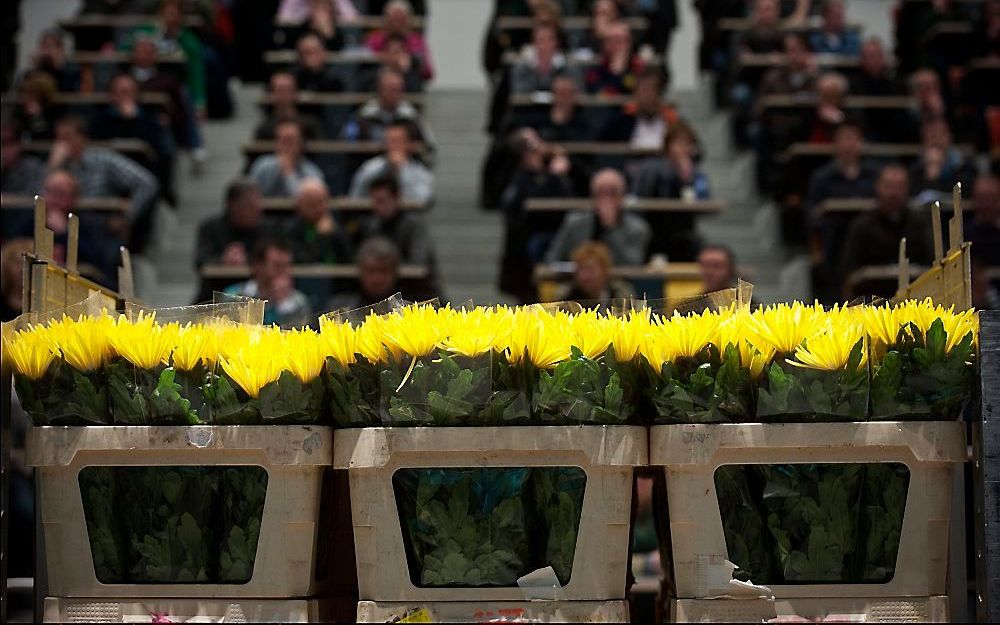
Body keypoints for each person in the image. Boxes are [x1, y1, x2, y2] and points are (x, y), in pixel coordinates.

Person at [47, 115, 160, 250]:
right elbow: (38, 195)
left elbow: (147, 183)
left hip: (99, 225)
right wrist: (52, 166)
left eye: (67, 137)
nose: (61, 144)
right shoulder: (55, 165)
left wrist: (127, 217)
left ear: (83, 138)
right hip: (61, 221)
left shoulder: (103, 159)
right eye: (58, 138)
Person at [9, 170, 122, 288]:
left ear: (74, 198)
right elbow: (13, 250)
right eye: (49, 192)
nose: (54, 199)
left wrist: (64, 233)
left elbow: (97, 262)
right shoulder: (29, 221)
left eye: (61, 194)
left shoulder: (89, 226)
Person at [839, 164, 935, 296]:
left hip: (916, 300)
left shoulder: (920, 223)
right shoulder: (862, 225)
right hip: (870, 301)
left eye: (899, 187)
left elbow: (934, 263)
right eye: (888, 187)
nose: (894, 193)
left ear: (908, 189)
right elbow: (848, 271)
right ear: (877, 187)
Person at [89, 72, 176, 204]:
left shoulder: (150, 120)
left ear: (136, 94)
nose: (123, 96)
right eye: (119, 92)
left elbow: (158, 151)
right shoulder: (100, 120)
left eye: (128, 92)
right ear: (111, 95)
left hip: (142, 173)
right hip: (108, 178)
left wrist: (132, 120)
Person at [544, 168, 651, 265]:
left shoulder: (638, 228)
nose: (606, 200)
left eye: (612, 193)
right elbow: (552, 258)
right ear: (592, 197)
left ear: (622, 197)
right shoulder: (575, 223)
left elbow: (633, 265)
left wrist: (611, 227)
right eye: (601, 193)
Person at [225, 238, 312, 328]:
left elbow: (296, 336)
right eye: (277, 265)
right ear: (258, 266)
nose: (284, 271)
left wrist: (283, 304)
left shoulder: (299, 302)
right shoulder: (232, 296)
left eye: (287, 265)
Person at [341, 67, 435, 150]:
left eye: (397, 89)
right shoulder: (362, 117)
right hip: (370, 165)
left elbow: (429, 145)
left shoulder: (412, 117)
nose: (394, 94)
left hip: (406, 165)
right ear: (379, 90)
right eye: (390, 89)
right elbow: (346, 143)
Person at [349, 121, 433, 203]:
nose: (392, 146)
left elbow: (422, 200)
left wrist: (402, 170)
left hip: (409, 215)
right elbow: (355, 197)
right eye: (388, 141)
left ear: (409, 144)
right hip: (373, 216)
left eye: (397, 141)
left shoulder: (420, 171)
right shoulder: (371, 167)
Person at [599, 68, 682, 149]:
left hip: (663, 160)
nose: (645, 96)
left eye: (650, 90)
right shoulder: (625, 119)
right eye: (642, 90)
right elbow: (601, 140)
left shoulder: (671, 119)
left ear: (659, 94)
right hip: (634, 160)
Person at [195, 179, 267, 269]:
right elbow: (200, 261)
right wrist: (223, 260)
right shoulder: (210, 228)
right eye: (251, 208)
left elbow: (269, 259)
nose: (258, 213)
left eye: (258, 207)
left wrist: (246, 260)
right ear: (233, 206)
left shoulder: (264, 230)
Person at [248, 117, 326, 197]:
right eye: (281, 140)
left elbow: (303, 201)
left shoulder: (311, 171)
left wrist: (288, 172)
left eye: (290, 140)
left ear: (301, 143)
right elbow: (253, 197)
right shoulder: (262, 164)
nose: (285, 146)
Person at [327, 236, 407, 312]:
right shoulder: (339, 309)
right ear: (361, 271)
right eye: (371, 270)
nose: (377, 279)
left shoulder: (408, 311)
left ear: (394, 272)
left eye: (384, 270)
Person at [284, 177, 353, 264]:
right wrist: (322, 237)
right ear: (300, 206)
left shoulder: (335, 227)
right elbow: (307, 262)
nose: (319, 209)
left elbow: (348, 259)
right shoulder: (290, 231)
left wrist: (335, 233)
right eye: (313, 204)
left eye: (322, 203)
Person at [365, 0, 434, 83]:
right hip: (377, 83)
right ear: (386, 21)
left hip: (409, 86)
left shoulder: (417, 41)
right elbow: (361, 62)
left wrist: (410, 61)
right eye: (393, 20)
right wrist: (382, 58)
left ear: (408, 21)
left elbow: (428, 72)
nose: (396, 25)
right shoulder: (374, 39)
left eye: (400, 20)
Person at [909, 118, 977, 200]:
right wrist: (931, 174)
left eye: (941, 135)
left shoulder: (965, 168)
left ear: (950, 138)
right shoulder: (915, 170)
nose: (937, 141)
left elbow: (964, 196)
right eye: (932, 136)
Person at [254, 71, 325, 140]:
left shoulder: (311, 125)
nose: (285, 94)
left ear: (295, 92)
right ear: (272, 93)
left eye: (289, 89)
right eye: (281, 90)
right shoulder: (264, 129)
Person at [561, 241, 635, 304]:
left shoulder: (621, 294)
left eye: (590, 270)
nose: (584, 276)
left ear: (604, 270)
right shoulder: (569, 297)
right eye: (581, 270)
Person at [509, 24, 574, 95]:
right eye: (541, 40)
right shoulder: (522, 66)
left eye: (550, 39)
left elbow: (575, 92)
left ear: (556, 43)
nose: (546, 44)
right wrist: (537, 74)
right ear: (534, 43)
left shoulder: (566, 66)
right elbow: (517, 91)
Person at [584, 21, 645, 95]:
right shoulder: (594, 70)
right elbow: (602, 97)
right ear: (604, 44)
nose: (621, 46)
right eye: (616, 40)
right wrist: (616, 72)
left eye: (625, 40)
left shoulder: (639, 67)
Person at [531, 74, 593, 142]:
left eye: (568, 93)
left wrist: (561, 124)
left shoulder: (585, 117)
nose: (564, 99)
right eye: (560, 93)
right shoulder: (541, 113)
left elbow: (585, 142)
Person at [0, 120, 46, 196]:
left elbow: (35, 196)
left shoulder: (33, 167)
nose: (4, 150)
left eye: (7, 144)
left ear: (19, 145)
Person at [967, 174, 1000, 267]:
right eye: (982, 198)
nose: (987, 204)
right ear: (974, 199)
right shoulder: (964, 233)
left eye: (992, 198)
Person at [1, 238, 32, 321]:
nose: (22, 269)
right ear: (6, 267)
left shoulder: (43, 307)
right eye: (17, 263)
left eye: (28, 264)